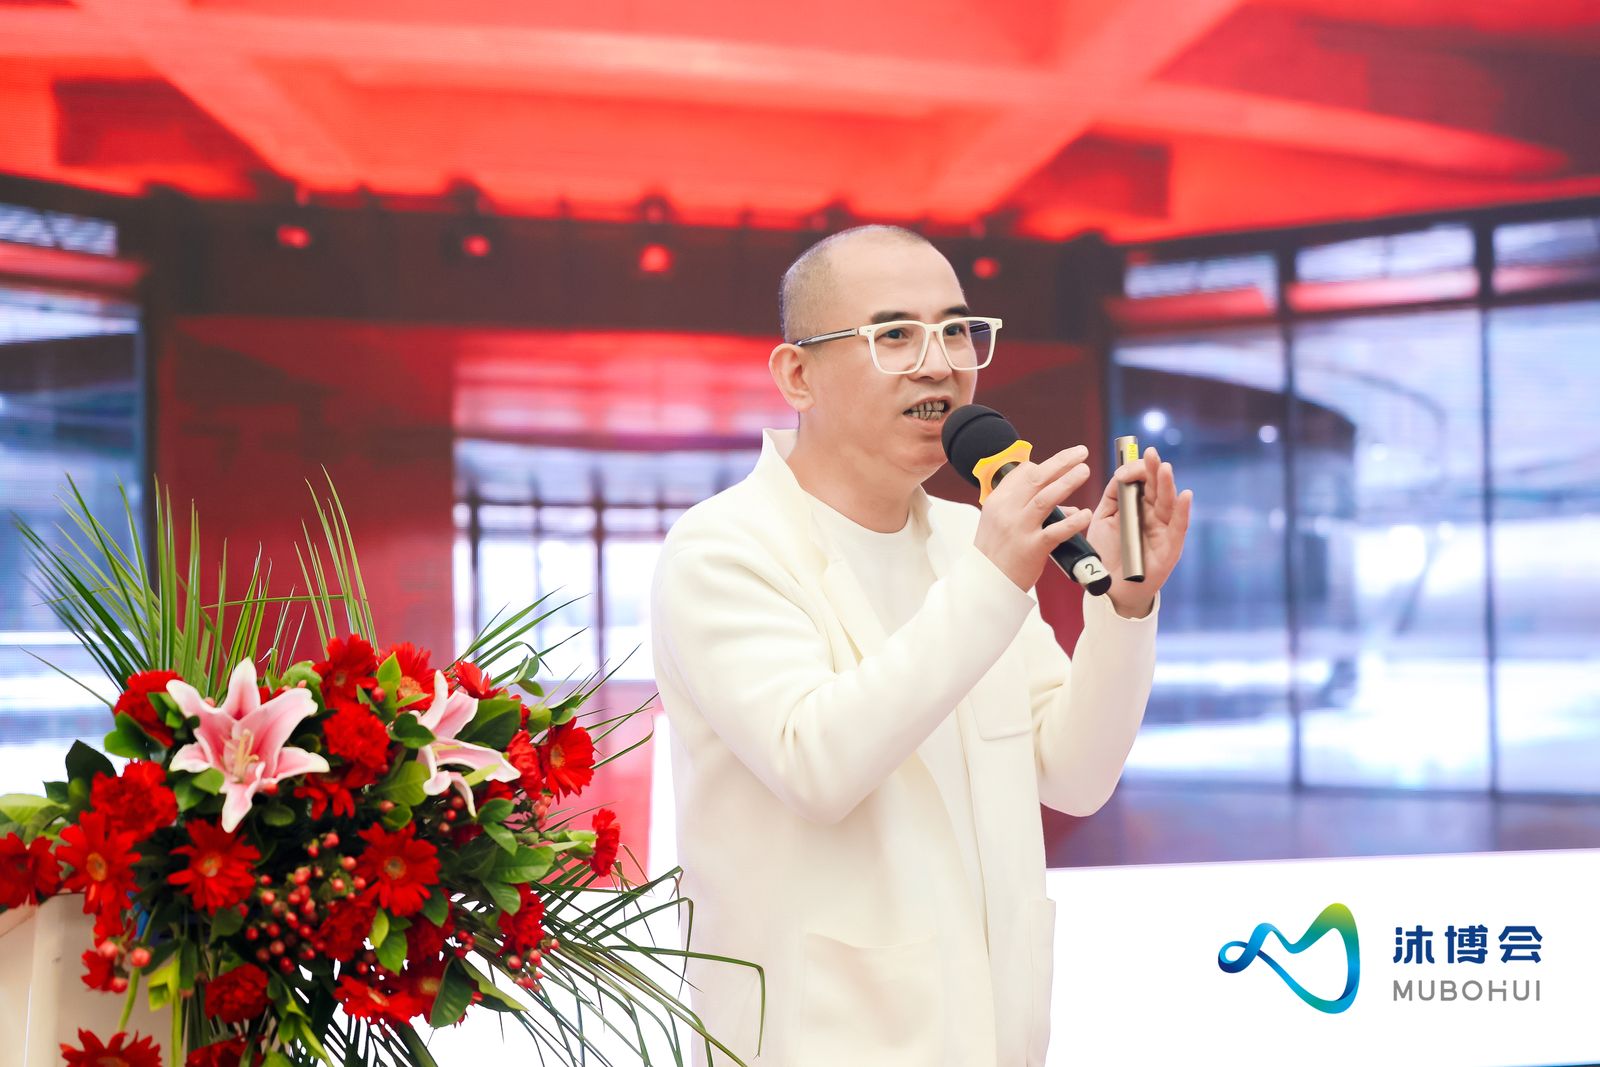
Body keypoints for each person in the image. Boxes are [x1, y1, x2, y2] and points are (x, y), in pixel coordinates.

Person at [650, 225, 1192, 1066]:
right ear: (797, 375)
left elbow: (1075, 774)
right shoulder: (723, 549)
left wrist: (1126, 605)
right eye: (895, 334)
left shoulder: (969, 538)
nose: (940, 363)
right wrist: (992, 579)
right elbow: (815, 762)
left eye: (957, 330)